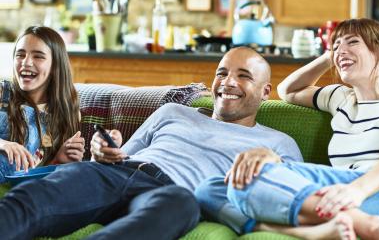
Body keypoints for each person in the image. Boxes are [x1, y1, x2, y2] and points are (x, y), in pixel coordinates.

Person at [0, 47, 303, 240]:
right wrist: (103, 153)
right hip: (118, 173)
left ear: (265, 91)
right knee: (31, 200)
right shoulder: (173, 111)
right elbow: (120, 155)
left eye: (243, 76)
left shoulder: (277, 142)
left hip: (175, 192)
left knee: (181, 205)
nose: (227, 82)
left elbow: (294, 197)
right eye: (221, 73)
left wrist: (270, 164)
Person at [196, 18, 379, 240]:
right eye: (337, 45)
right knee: (211, 189)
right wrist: (331, 55)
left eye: (353, 42)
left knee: (250, 179)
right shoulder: (340, 98)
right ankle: (321, 229)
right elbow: (288, 90)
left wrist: (356, 191)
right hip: (341, 192)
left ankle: (367, 225)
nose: (341, 51)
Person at [0, 26, 84, 183]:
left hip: (18, 197)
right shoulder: (2, 93)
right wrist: (3, 143)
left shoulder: (65, 113)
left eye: (38, 56)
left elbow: (37, 175)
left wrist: (57, 161)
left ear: (55, 66)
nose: (26, 62)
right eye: (20, 55)